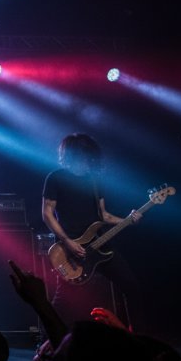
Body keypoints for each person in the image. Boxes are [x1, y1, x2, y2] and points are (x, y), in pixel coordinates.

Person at [41, 133, 147, 331]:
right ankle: (50, 342)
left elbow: (104, 216)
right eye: (84, 154)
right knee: (63, 302)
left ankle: (139, 337)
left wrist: (128, 220)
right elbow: (47, 214)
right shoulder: (55, 177)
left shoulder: (95, 181)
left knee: (131, 285)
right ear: (74, 154)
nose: (88, 159)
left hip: (100, 245)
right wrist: (67, 241)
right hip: (71, 249)